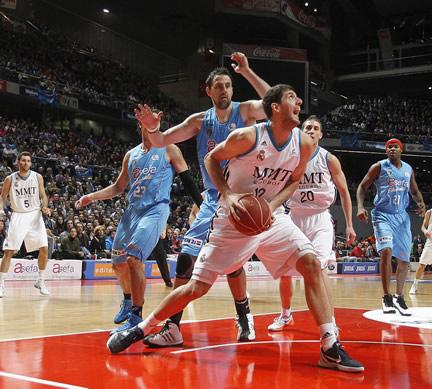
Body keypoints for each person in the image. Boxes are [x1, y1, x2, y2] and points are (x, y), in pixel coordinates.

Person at [108, 85, 364, 373]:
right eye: (292, 97)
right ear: (275, 108)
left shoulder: (303, 143)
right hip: (235, 218)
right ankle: (142, 328)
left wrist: (271, 205)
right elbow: (211, 159)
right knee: (197, 287)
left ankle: (330, 346)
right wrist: (228, 195)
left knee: (311, 263)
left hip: (270, 217)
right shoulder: (248, 136)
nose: (300, 101)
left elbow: (294, 178)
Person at [132, 54, 270, 346]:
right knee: (185, 259)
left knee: (233, 265)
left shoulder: (244, 112)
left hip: (243, 198)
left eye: (228, 85)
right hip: (212, 199)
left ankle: (244, 315)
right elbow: (160, 141)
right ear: (208, 91)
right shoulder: (198, 121)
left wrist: (246, 71)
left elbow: (273, 104)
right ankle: (173, 327)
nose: (224, 90)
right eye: (218, 86)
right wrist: (152, 128)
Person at [75, 117, 198, 333]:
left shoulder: (169, 148)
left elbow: (187, 179)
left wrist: (203, 205)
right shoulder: (131, 155)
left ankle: (136, 316)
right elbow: (117, 187)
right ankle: (127, 299)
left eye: (158, 123)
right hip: (132, 212)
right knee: (118, 263)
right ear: (141, 125)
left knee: (133, 258)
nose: (154, 126)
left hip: (156, 209)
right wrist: (91, 197)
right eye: (149, 122)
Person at [267, 116, 356, 332]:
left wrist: (350, 225)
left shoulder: (328, 159)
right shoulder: (289, 157)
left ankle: (330, 320)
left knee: (320, 268)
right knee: (286, 272)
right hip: (294, 217)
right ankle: (286, 315)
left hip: (320, 218)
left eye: (316, 128)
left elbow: (344, 192)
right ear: (301, 131)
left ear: (321, 134)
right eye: (307, 127)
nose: (311, 131)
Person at [356, 138, 425, 316]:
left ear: (401, 150)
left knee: (404, 260)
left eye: (396, 147)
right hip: (382, 215)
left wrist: (421, 202)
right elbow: (362, 187)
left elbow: (415, 191)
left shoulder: (408, 169)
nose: (392, 149)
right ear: (386, 151)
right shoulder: (378, 167)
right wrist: (361, 206)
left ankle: (398, 297)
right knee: (386, 250)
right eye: (389, 147)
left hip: (402, 217)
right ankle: (386, 297)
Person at [0, 152, 52, 297]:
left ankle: (41, 281)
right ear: (18, 162)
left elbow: (43, 196)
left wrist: (45, 206)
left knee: (44, 248)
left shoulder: (37, 177)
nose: (26, 163)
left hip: (35, 215)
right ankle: (1, 284)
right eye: (23, 160)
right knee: (9, 251)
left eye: (28, 161)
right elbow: (2, 197)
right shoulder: (9, 179)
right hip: (18, 215)